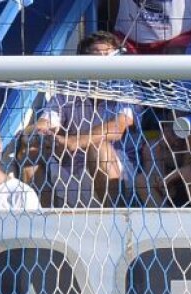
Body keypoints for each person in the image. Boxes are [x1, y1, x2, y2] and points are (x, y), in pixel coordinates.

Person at [34, 31, 138, 207]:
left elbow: (118, 127)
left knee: (98, 149)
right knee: (30, 148)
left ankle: (114, 220)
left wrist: (75, 141)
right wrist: (49, 136)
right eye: (97, 56)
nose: (104, 62)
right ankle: (39, 223)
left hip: (119, 172)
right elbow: (46, 122)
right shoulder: (68, 90)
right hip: (70, 171)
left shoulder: (125, 87)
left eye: (108, 55)